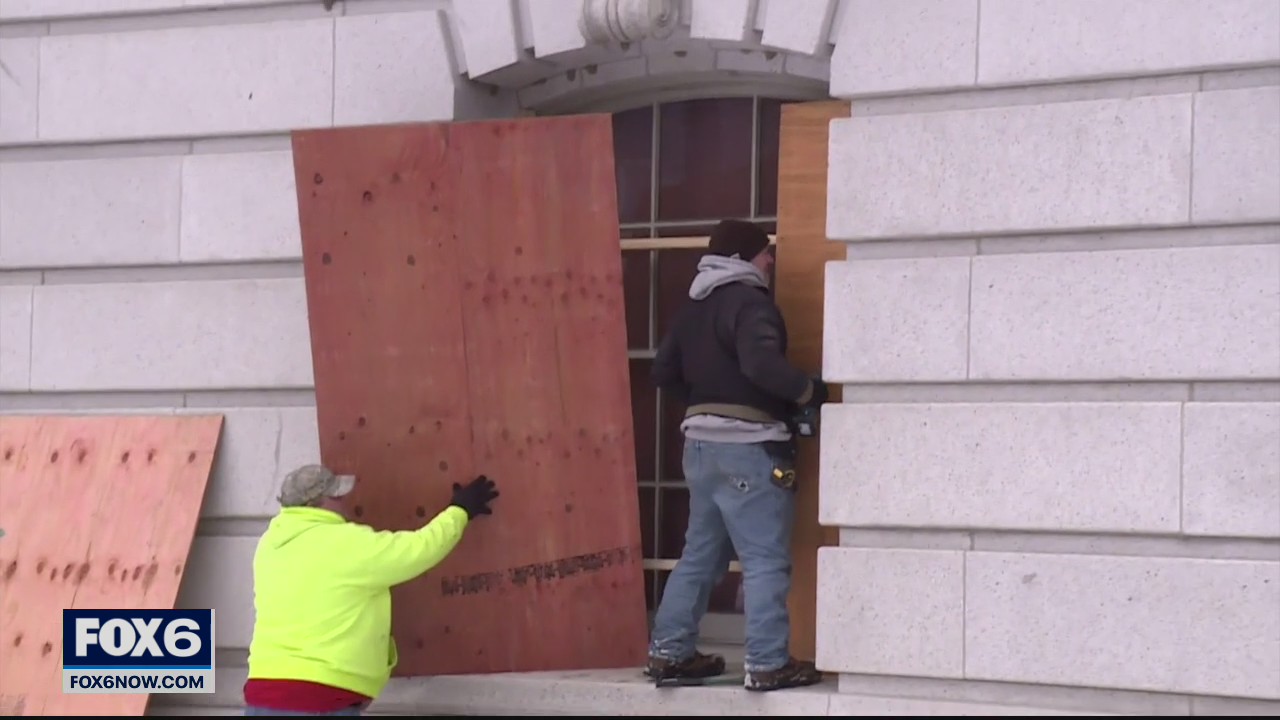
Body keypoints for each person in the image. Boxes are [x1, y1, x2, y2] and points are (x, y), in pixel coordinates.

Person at [644, 219, 828, 692]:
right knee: (765, 559)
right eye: (766, 252)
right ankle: (767, 664)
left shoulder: (693, 306)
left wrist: (706, 403)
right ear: (744, 257)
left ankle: (669, 653)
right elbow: (762, 364)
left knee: (699, 556)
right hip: (750, 446)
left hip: (699, 449)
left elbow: (663, 371)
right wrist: (807, 391)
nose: (771, 261)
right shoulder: (751, 303)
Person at [242, 464, 500, 716]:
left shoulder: (270, 545)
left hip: (262, 692)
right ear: (319, 503)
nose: (344, 501)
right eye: (336, 496)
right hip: (319, 696)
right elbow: (418, 549)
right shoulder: (345, 543)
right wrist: (460, 510)